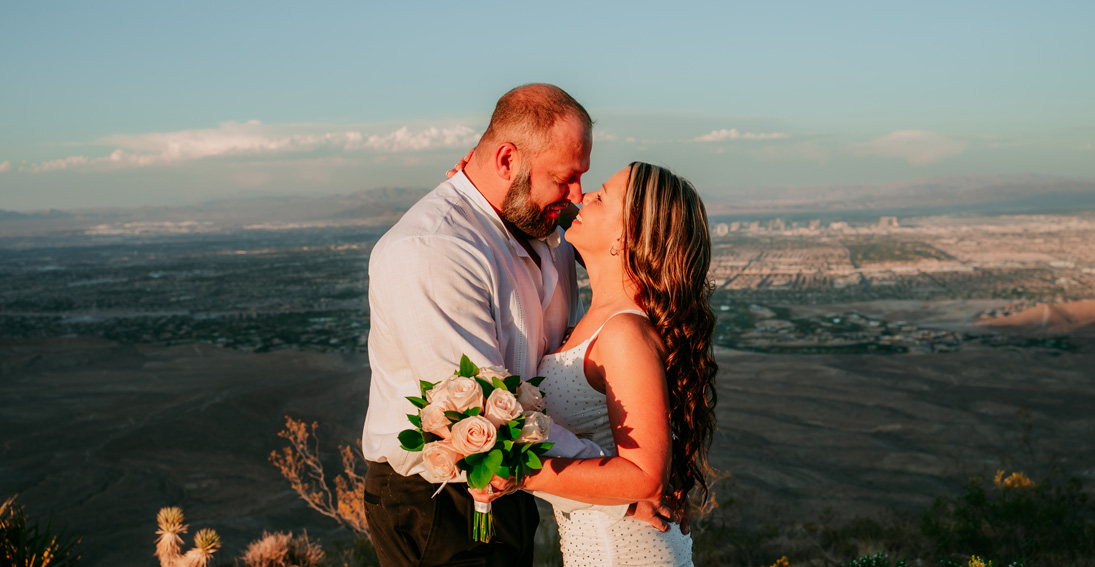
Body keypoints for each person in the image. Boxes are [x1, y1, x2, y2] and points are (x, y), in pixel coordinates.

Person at [361, 84, 664, 567]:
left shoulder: (546, 229)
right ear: (506, 160)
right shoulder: (434, 250)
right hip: (439, 506)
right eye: (565, 178)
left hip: (523, 487)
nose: (577, 196)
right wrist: (620, 483)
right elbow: (483, 413)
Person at [477, 162, 718, 566]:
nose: (584, 197)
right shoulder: (597, 318)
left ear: (627, 234)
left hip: (627, 551)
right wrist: (483, 180)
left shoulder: (624, 332)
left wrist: (522, 476)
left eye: (602, 196)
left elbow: (646, 477)